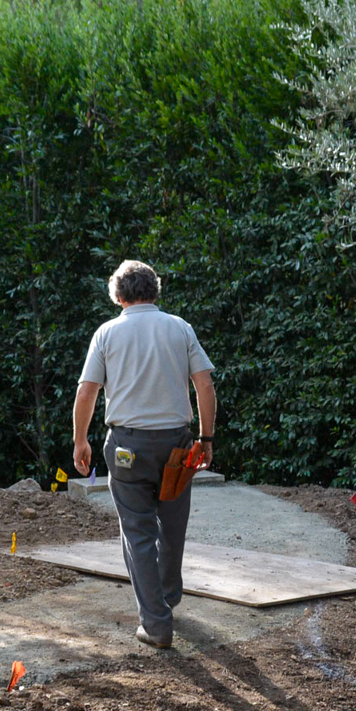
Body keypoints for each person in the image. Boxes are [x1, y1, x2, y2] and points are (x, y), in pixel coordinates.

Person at [72, 260, 217, 649]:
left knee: (137, 532)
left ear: (118, 295)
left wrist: (80, 441)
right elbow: (204, 383)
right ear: (155, 291)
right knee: (172, 526)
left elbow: (87, 392)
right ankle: (167, 599)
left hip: (127, 449)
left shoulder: (107, 333)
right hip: (177, 447)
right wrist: (205, 438)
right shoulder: (179, 328)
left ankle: (156, 624)